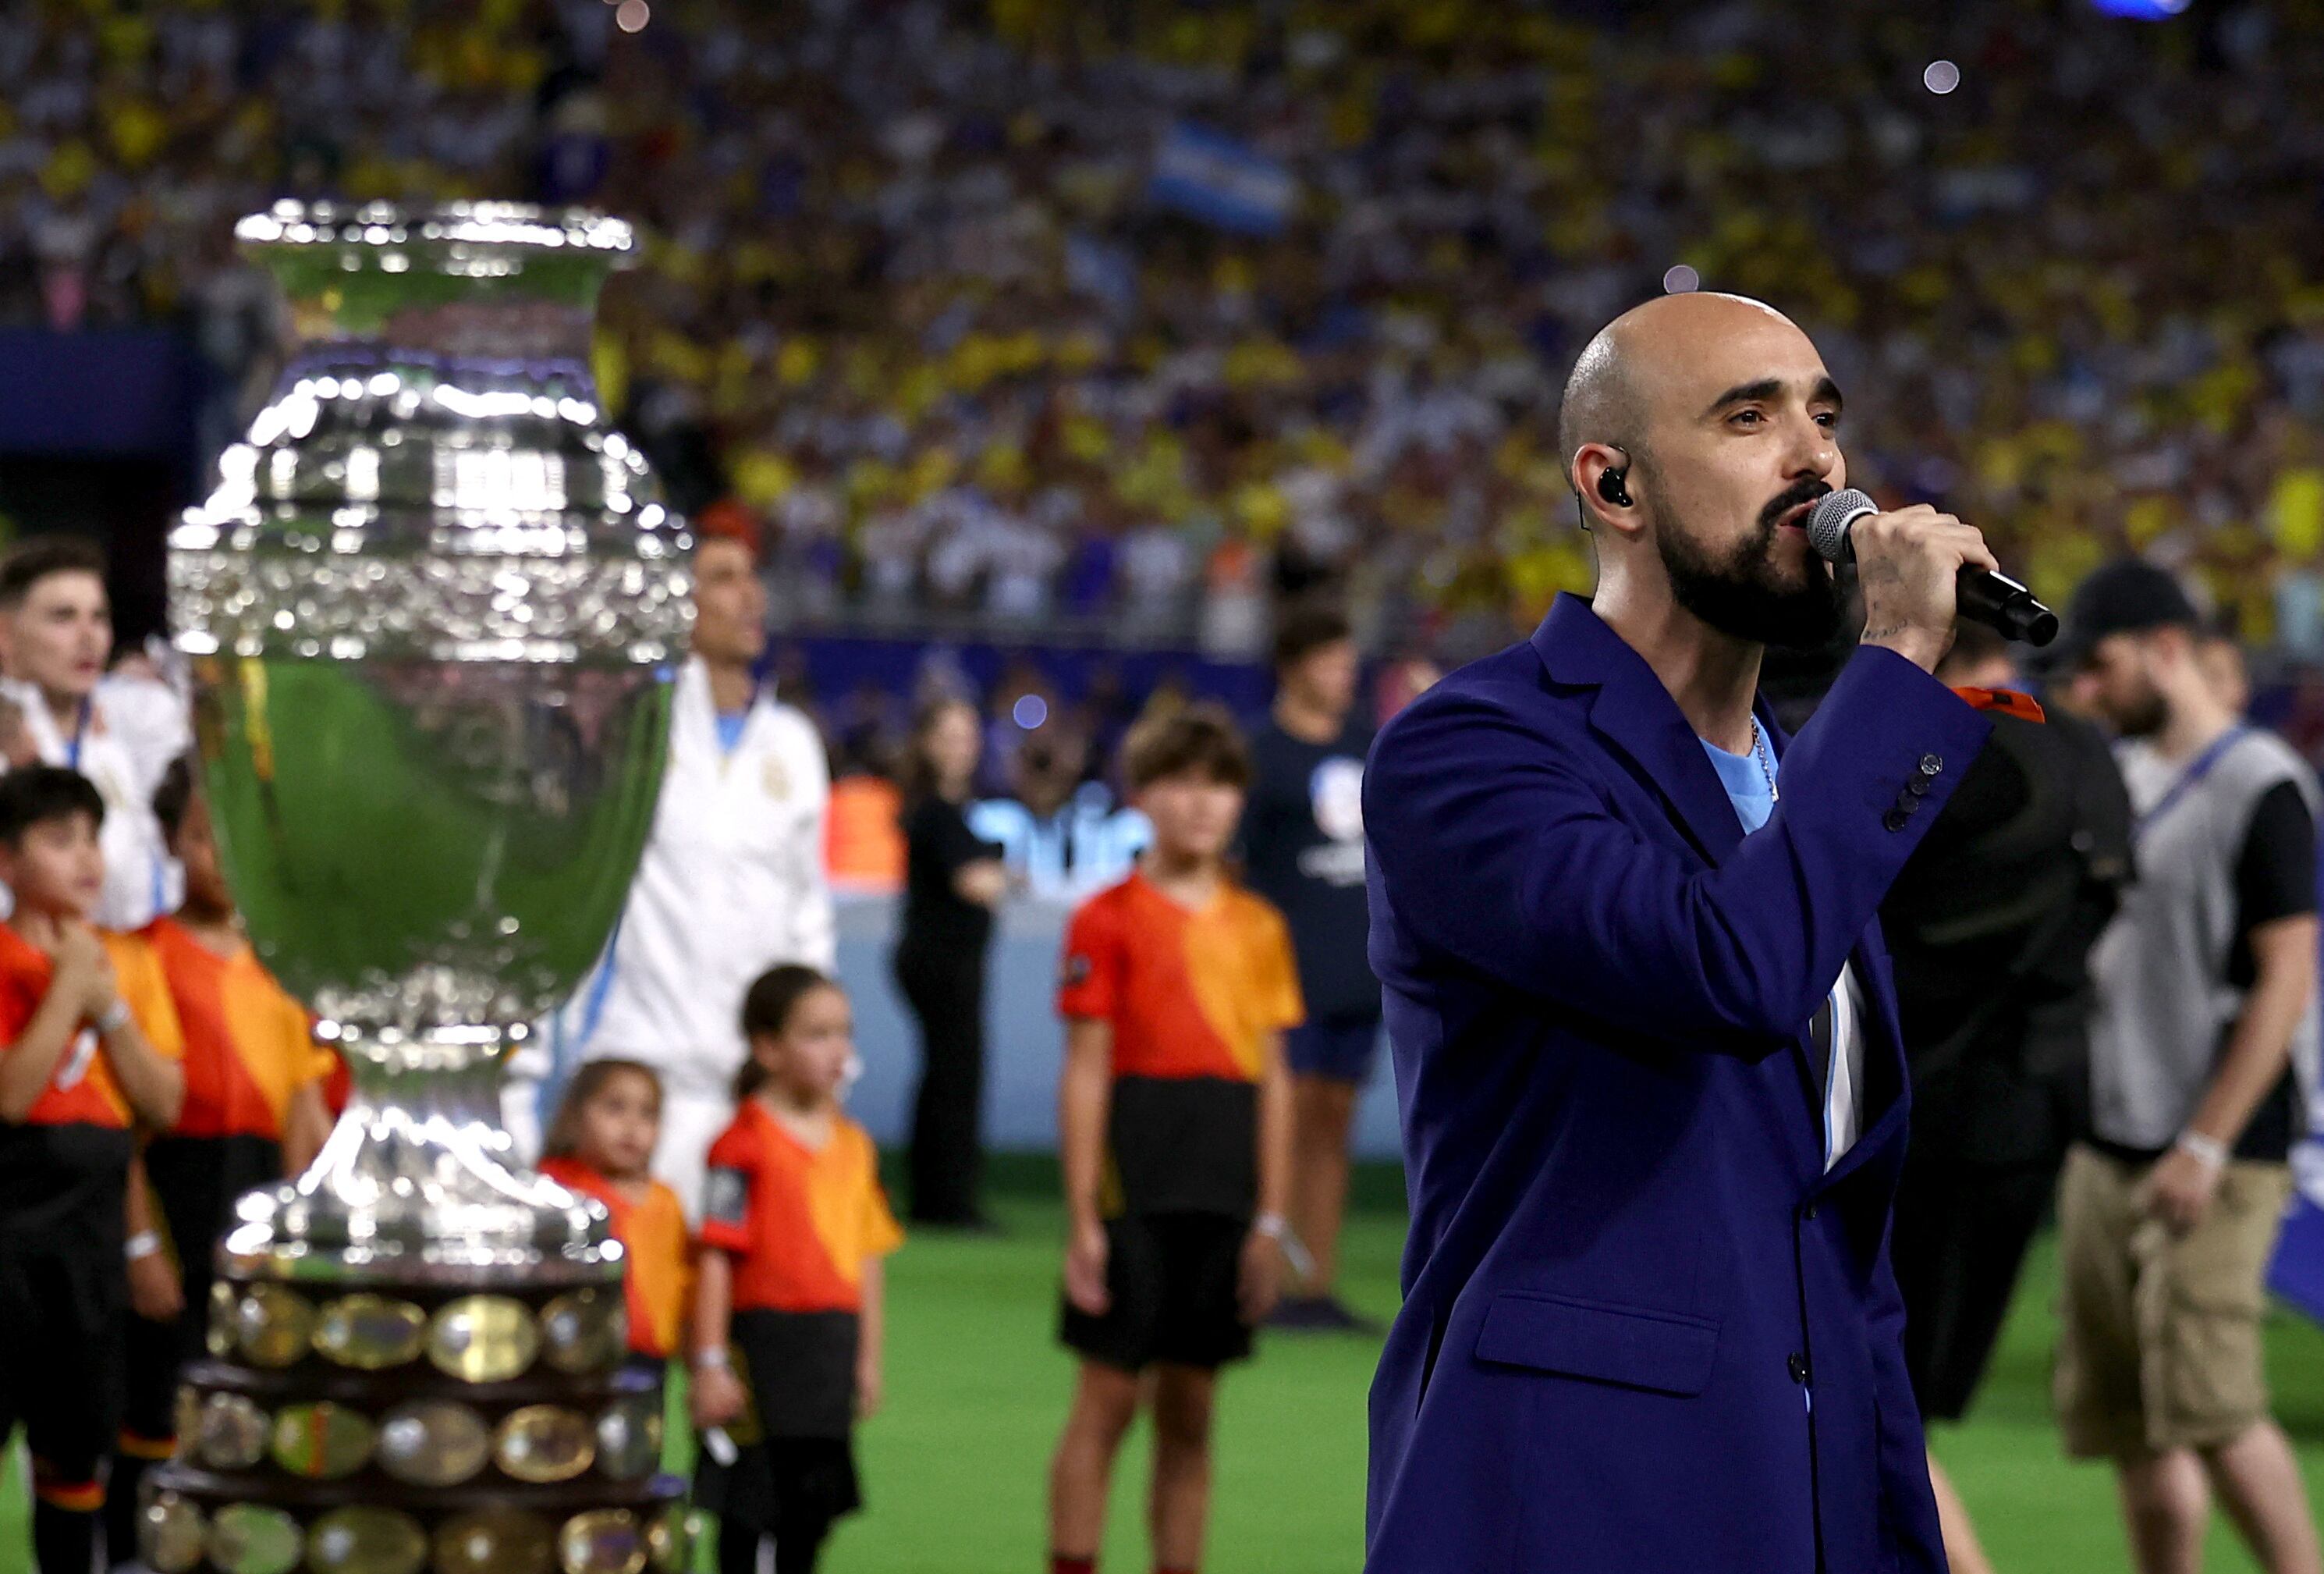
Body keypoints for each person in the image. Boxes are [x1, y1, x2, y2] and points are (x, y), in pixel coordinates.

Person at [1363, 293, 2003, 1572]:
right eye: (1746, 416)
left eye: (1823, 415)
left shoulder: (1791, 783)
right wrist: (1898, 662)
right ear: (1611, 484)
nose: (1814, 457)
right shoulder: (1471, 750)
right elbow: (1724, 970)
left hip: (1795, 1504)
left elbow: (1831, 1236)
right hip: (1569, 1501)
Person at [2055, 559, 2324, 1574]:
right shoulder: (2121, 777)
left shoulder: (2261, 785)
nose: (2083, 688)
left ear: (2164, 649)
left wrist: (2204, 1143)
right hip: (2108, 1137)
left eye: (2100, 663)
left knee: (2213, 1412)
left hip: (2208, 1146)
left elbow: (2285, 976)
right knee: (2131, 1425)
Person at [1880, 623, 2134, 1574]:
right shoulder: (2085, 748)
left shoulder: (1951, 750)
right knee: (1891, 1406)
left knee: (1872, 1402)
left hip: (1933, 1116)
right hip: (2037, 1115)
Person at [1047, 705, 1301, 1574]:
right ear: (1142, 795)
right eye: (1181, 782)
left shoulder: (1261, 927)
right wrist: (1082, 1212)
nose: (1202, 803)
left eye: (1220, 784)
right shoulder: (1104, 918)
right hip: (1135, 1188)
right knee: (1109, 1399)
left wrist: (1271, 1218)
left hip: (1223, 1193)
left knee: (1192, 1409)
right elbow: (1085, 1070)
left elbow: (1274, 1083)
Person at [546, 514, 836, 1217]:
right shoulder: (632, 731)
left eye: (752, 577)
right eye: (723, 579)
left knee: (739, 1310)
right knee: (638, 1313)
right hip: (643, 1074)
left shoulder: (793, 745)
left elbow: (807, 916)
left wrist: (817, 1058)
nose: (750, 597)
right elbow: (585, 892)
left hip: (750, 1086)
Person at [105, 756, 335, 1563]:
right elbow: (124, 1121)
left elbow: (304, 1106)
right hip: (176, 1184)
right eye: (205, 837)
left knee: (251, 1397)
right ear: (171, 841)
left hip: (258, 1189)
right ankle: (137, 1552)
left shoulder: (282, 967)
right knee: (159, 1394)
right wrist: (141, 1243)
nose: (222, 859)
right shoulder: (140, 956)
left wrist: (312, 1223)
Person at [0, 766, 183, 1574]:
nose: (85, 859)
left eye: (92, 839)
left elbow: (164, 1102)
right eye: (58, 839)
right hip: (9, 1235)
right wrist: (68, 986)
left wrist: (104, 1003)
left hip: (89, 1240)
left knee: (77, 1454)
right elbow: (11, 1095)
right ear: (7, 861)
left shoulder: (123, 962)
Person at [690, 965, 902, 1574]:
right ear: (767, 1047)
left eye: (844, 1032)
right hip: (761, 1347)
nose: (838, 1049)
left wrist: (865, 1356)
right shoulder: (741, 1144)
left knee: (812, 1509)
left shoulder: (855, 1145)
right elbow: (715, 1258)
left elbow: (867, 1257)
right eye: (817, 1034)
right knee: (752, 1506)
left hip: (826, 1350)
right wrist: (710, 1362)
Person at [1240, 600, 1379, 1332]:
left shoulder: (1369, 743)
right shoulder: (1261, 755)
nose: (1343, 675)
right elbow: (1239, 867)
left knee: (1333, 1123)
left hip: (1356, 965)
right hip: (1286, 971)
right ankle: (1263, 1277)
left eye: (1348, 661)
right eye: (1329, 661)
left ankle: (1314, 1281)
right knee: (1283, 1124)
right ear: (1293, 668)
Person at [0, 538, 185, 931]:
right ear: (5, 634)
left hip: (146, 963)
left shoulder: (135, 717)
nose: (89, 637)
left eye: (99, 617)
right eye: (63, 617)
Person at [892, 695, 1009, 1228]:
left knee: (948, 1076)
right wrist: (1002, 877)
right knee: (953, 1078)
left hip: (949, 961)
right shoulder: (935, 811)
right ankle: (944, 1201)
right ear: (927, 744)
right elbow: (974, 882)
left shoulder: (951, 809)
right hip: (940, 962)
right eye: (951, 736)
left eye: (969, 735)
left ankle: (940, 1195)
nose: (964, 747)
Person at [538, 1059, 693, 1374]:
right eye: (615, 1108)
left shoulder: (666, 1199)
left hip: (656, 1361)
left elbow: (685, 1283)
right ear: (574, 1116)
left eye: (647, 1113)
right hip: (582, 1359)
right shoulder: (558, 1190)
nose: (631, 1126)